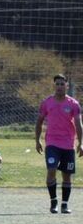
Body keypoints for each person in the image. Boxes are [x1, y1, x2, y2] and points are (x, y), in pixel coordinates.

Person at [35, 74, 83, 214]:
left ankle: (64, 204)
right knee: (51, 169)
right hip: (52, 143)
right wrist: (37, 140)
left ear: (67, 86)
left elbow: (78, 124)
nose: (60, 87)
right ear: (54, 85)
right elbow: (39, 122)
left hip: (68, 144)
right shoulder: (47, 102)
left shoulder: (73, 104)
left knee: (67, 175)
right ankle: (53, 202)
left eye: (63, 84)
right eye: (58, 84)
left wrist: (81, 143)